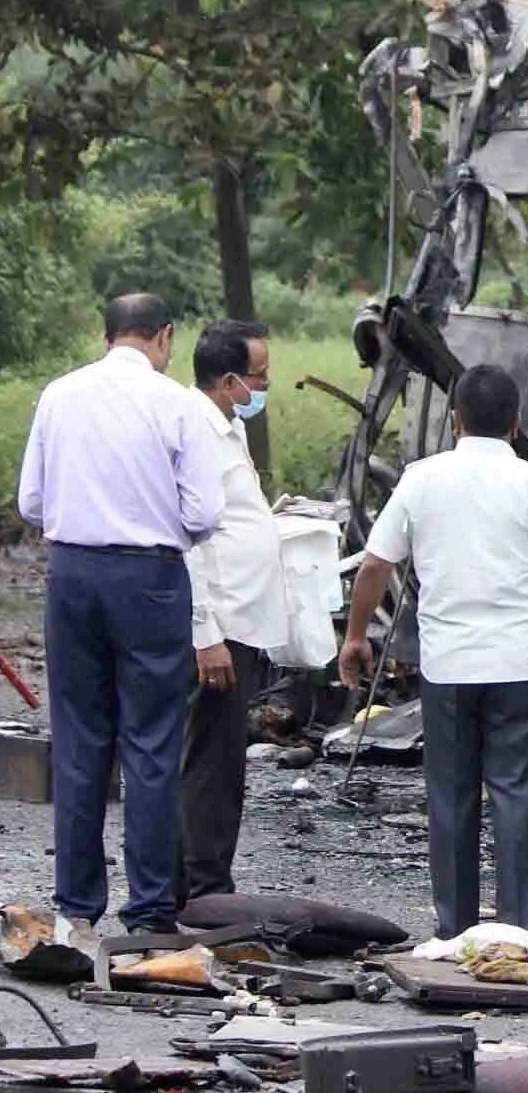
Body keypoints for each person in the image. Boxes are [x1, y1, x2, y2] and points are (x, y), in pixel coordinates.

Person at [340, 364, 528, 939]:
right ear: (514, 425)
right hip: (518, 665)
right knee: (518, 796)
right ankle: (520, 932)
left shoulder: (421, 479)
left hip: (449, 667)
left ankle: (455, 931)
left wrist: (356, 636)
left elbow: (376, 565)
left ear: (455, 420)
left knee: (451, 797)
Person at [16, 294, 224, 935]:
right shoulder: (179, 404)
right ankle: (150, 910)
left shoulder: (59, 395)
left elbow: (31, 501)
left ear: (105, 336)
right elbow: (204, 515)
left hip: (74, 575)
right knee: (152, 746)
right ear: (163, 337)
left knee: (80, 742)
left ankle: (76, 910)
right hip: (151, 580)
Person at [179, 320, 287, 904]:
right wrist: (206, 633)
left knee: (220, 759)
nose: (265, 384)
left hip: (240, 617)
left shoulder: (228, 426)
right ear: (228, 382)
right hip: (218, 623)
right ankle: (202, 887)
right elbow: (187, 540)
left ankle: (194, 881)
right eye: (259, 376)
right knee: (210, 762)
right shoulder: (195, 432)